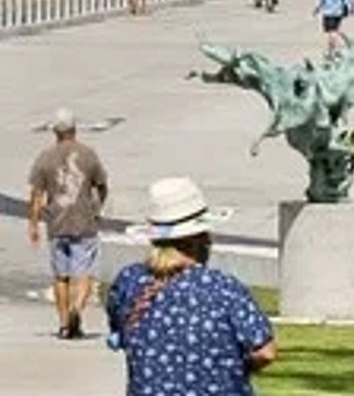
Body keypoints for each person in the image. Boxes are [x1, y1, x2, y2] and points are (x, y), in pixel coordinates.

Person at [106, 177, 276, 396]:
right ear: (197, 239)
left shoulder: (129, 282)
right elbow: (265, 352)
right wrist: (234, 368)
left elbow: (120, 331)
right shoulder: (222, 288)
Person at [28, 107, 109, 340]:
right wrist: (97, 207)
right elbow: (101, 184)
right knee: (83, 273)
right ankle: (77, 309)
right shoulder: (88, 154)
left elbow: (36, 194)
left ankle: (64, 322)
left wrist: (34, 223)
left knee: (60, 276)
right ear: (74, 129)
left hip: (56, 222)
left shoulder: (45, 157)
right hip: (83, 221)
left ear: (55, 130)